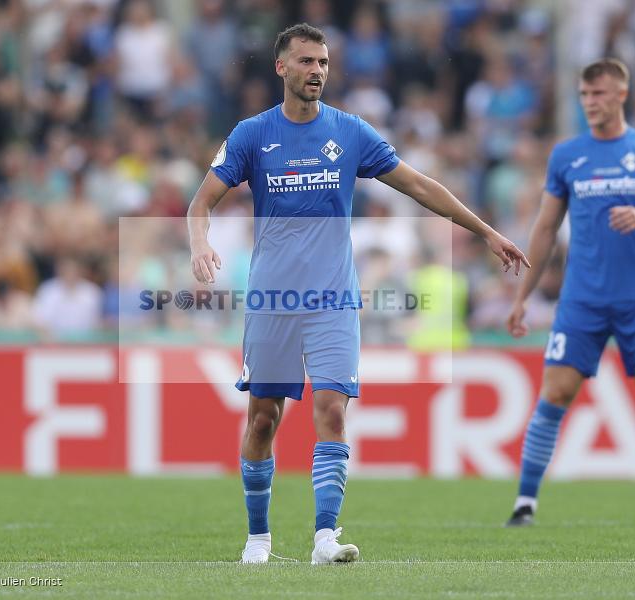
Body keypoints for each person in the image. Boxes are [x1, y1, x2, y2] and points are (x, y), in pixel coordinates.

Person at [187, 23, 528, 564]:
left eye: (322, 62)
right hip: (274, 300)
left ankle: (325, 537)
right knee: (262, 420)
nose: (316, 71)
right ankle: (258, 537)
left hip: (333, 300)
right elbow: (201, 201)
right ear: (282, 68)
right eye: (305, 62)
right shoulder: (252, 134)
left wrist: (485, 230)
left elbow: (420, 186)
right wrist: (200, 243)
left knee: (332, 410)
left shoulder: (350, 133)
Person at [504, 58, 635, 527]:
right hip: (581, 298)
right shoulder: (567, 155)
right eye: (585, 95)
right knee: (556, 391)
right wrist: (523, 296)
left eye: (600, 94)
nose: (591, 103)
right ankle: (524, 504)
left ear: (621, 95)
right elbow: (546, 228)